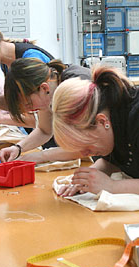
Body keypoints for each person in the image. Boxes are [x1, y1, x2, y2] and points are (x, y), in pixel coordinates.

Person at [52, 65, 139, 196]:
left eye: (86, 145)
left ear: (102, 121)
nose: (85, 153)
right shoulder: (112, 117)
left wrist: (112, 186)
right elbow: (116, 161)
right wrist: (87, 178)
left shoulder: (135, 117)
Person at [0, 57, 91, 162]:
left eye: (29, 104)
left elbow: (86, 146)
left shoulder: (78, 88)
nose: (29, 111)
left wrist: (39, 156)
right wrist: (17, 148)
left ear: (44, 88)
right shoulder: (47, 93)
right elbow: (44, 130)